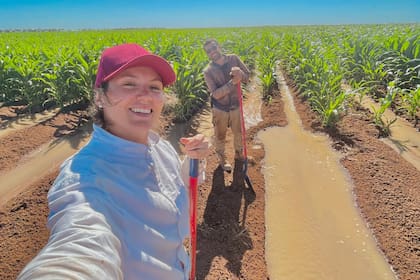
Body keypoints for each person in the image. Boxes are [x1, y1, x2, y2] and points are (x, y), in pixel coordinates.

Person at [17, 43, 210, 280]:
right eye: (129, 84)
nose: (145, 95)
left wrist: (194, 160)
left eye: (154, 87)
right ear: (100, 97)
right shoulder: (85, 177)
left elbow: (176, 187)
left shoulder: (160, 147)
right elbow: (80, 243)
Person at [203, 38, 250, 172]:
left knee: (238, 133)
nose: (212, 52)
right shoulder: (208, 71)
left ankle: (238, 154)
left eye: (213, 48)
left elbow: (247, 76)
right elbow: (216, 94)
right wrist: (232, 83)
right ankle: (222, 159)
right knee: (220, 135)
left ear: (219, 46)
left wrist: (241, 74)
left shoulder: (234, 59)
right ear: (207, 54)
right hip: (220, 109)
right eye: (208, 51)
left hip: (236, 105)